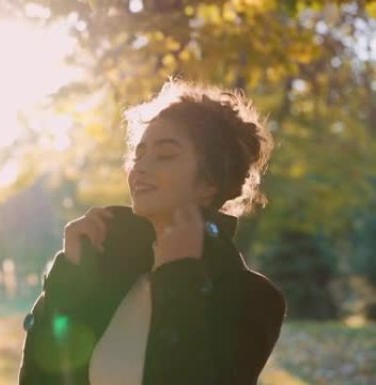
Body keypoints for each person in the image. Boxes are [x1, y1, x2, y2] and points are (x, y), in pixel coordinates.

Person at [17, 78, 288, 385]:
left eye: (166, 155)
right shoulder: (107, 266)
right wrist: (69, 282)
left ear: (208, 183)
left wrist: (179, 275)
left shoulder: (253, 299)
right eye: (139, 154)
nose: (141, 167)